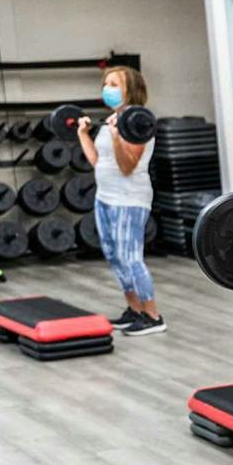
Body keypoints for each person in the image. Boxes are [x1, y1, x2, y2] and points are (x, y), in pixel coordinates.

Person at [77, 66, 163, 336]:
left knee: (130, 258)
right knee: (114, 256)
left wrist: (116, 137)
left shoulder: (139, 123)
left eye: (114, 83)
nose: (107, 88)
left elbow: (127, 166)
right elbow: (97, 162)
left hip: (129, 201)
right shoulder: (113, 119)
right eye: (106, 83)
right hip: (105, 197)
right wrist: (82, 134)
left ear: (131, 89)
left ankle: (153, 316)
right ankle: (134, 309)